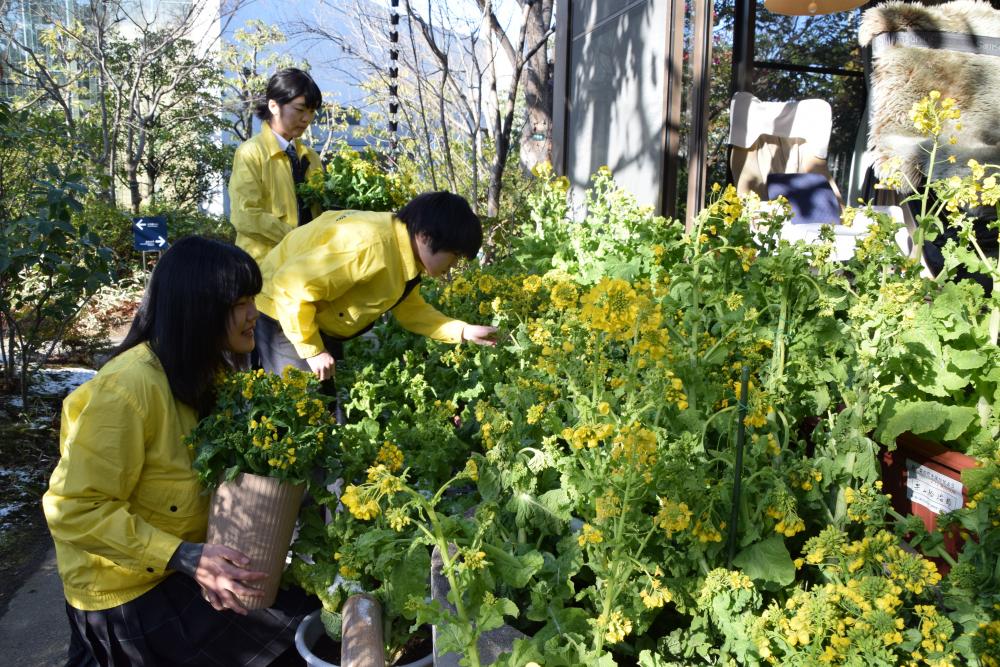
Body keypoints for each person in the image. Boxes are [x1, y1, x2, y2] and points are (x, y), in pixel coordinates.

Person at [43, 237, 318, 666]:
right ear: (199, 309)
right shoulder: (127, 389)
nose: (254, 315)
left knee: (310, 624)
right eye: (241, 303)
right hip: (129, 593)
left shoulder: (205, 371)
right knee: (304, 643)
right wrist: (186, 557)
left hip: (178, 567)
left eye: (253, 299)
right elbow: (74, 509)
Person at [254, 191, 498, 381]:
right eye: (454, 255)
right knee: (298, 413)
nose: (453, 265)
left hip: (310, 319)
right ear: (426, 236)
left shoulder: (406, 256)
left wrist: (463, 331)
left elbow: (412, 311)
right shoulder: (370, 246)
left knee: (322, 411)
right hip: (281, 313)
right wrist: (313, 351)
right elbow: (290, 285)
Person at [229, 67, 324, 265]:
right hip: (264, 268)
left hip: (309, 265)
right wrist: (298, 238)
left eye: (312, 111)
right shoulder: (251, 152)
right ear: (273, 106)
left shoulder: (311, 157)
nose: (307, 118)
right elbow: (244, 215)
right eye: (300, 109)